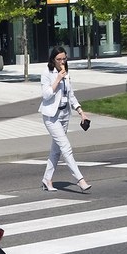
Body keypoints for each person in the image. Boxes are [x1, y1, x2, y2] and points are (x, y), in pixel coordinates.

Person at [38, 45, 91, 193]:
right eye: (59, 59)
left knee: (56, 151)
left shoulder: (66, 72)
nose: (62, 62)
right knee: (66, 147)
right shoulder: (47, 73)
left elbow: (70, 95)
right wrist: (58, 79)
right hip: (51, 116)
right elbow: (46, 95)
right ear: (53, 60)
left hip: (64, 115)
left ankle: (47, 179)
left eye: (64, 58)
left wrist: (81, 112)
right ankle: (80, 180)